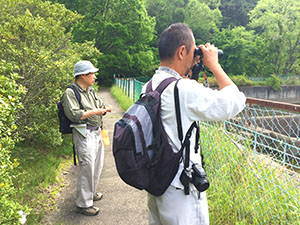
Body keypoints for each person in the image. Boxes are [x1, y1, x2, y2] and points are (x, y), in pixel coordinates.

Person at [143, 23, 246, 224]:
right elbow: (235, 101)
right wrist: (214, 64)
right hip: (182, 188)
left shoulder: (152, 84)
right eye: (192, 52)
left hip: (157, 179)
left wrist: (193, 67)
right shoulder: (183, 90)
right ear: (182, 51)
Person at [61, 60, 112, 216]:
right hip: (83, 133)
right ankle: (83, 204)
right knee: (87, 167)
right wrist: (96, 112)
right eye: (92, 74)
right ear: (82, 75)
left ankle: (92, 192)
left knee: (97, 165)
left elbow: (100, 104)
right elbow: (75, 115)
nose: (94, 77)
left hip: (96, 132)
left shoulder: (90, 91)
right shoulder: (70, 93)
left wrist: (105, 108)